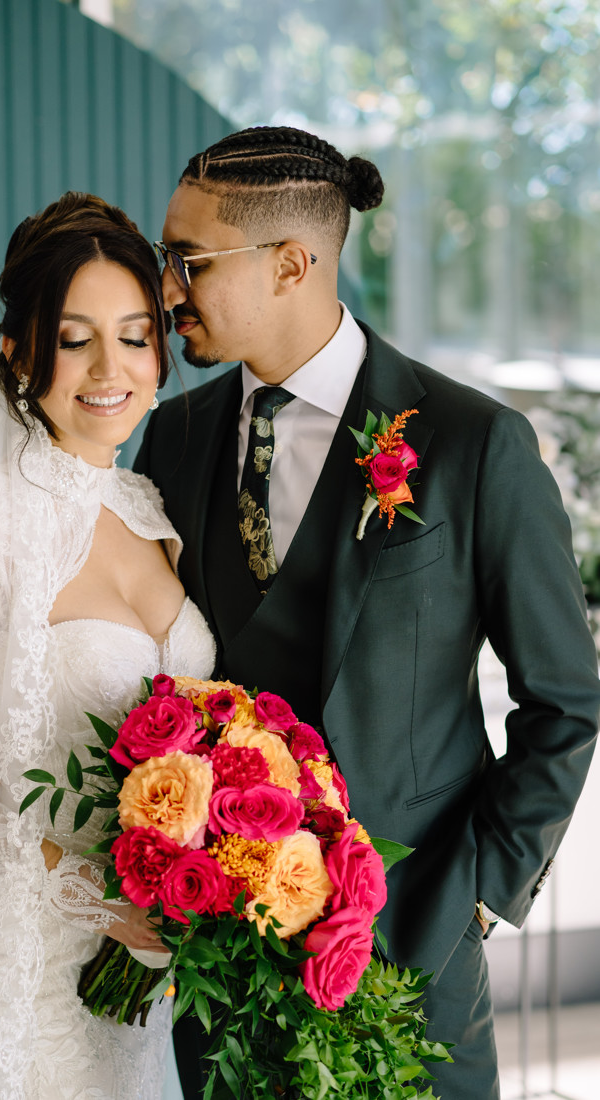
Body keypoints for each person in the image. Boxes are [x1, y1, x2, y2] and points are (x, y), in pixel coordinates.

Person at [134, 126, 600, 1099]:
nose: (166, 288)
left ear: (293, 262)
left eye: (189, 260)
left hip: (410, 964)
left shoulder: (475, 442)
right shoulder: (172, 437)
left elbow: (564, 697)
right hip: (223, 974)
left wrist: (474, 892)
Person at [0, 192, 214, 1100]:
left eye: (135, 335)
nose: (112, 368)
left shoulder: (151, 513)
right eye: (74, 338)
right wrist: (84, 893)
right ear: (19, 351)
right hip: (14, 954)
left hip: (138, 972)